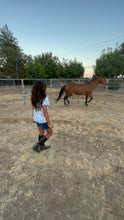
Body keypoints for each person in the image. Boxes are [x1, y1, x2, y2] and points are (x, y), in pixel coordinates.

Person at [31, 80, 53, 152]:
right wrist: (49, 123)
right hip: (43, 120)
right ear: (42, 88)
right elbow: (45, 111)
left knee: (41, 133)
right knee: (50, 133)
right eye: (44, 86)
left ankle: (42, 146)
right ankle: (37, 145)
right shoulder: (44, 98)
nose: (45, 88)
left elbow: (33, 108)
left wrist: (33, 117)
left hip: (37, 119)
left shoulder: (34, 96)